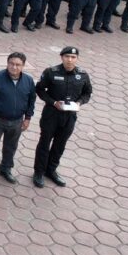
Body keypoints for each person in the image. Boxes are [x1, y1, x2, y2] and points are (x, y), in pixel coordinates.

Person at [32, 46, 92, 188]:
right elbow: (39, 89)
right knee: (44, 143)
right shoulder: (51, 72)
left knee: (60, 144)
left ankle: (51, 170)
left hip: (69, 116)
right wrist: (53, 102)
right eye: (67, 57)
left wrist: (79, 102)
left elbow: (87, 93)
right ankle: (39, 172)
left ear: (77, 59)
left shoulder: (83, 75)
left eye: (73, 57)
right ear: (62, 57)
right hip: (51, 115)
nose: (70, 60)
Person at [0, 52, 36, 184]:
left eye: (18, 65)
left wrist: (27, 118)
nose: (14, 67)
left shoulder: (28, 81)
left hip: (17, 121)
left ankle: (5, 168)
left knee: (11, 147)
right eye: (11, 63)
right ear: (7, 63)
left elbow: (31, 100)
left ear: (23, 66)